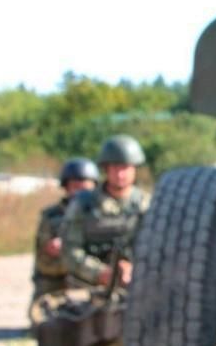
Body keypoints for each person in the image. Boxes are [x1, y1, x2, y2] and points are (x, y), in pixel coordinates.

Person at [60, 135, 151, 291]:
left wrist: (134, 268)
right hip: (88, 286)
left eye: (125, 168)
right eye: (115, 168)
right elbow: (69, 250)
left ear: (134, 169)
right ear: (106, 169)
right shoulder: (83, 204)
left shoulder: (148, 205)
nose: (120, 174)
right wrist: (101, 273)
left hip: (137, 285)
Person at [29, 158, 99, 319]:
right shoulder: (51, 216)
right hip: (55, 285)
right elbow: (43, 262)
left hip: (91, 283)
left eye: (86, 189)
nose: (80, 194)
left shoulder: (100, 216)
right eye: (76, 187)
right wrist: (64, 251)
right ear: (66, 188)